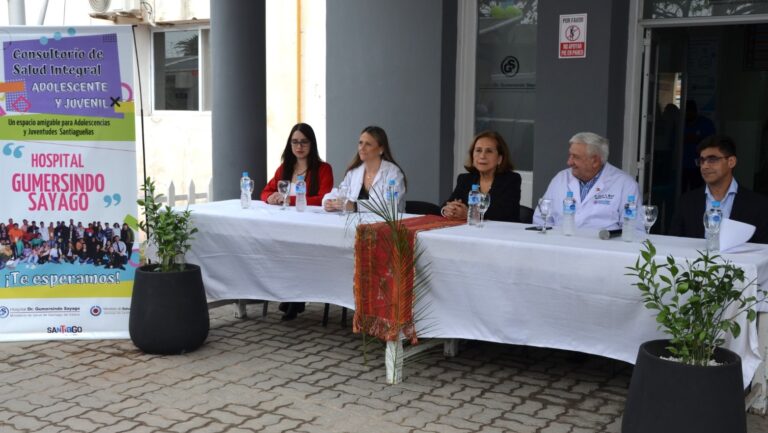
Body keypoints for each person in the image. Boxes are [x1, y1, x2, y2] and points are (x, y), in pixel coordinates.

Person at [533, 132, 642, 233]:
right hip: (561, 245)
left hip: (603, 248)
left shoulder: (625, 184)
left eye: (575, 157)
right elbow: (541, 219)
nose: (569, 162)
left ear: (595, 161)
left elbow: (634, 230)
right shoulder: (560, 179)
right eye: (570, 155)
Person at [669, 135, 768, 244]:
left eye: (712, 159)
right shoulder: (687, 201)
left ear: (731, 162)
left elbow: (763, 250)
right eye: (702, 161)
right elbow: (674, 243)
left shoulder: (758, 204)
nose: (704, 166)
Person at [323, 125, 407, 213]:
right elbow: (341, 192)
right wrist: (328, 201)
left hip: (389, 225)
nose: (361, 148)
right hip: (355, 224)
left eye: (368, 144)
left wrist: (355, 206)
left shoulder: (393, 173)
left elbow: (390, 204)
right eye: (360, 143)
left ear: (381, 149)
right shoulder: (353, 172)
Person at [441, 131, 521, 222]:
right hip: (469, 232)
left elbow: (503, 213)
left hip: (502, 233)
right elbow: (449, 203)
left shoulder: (511, 180)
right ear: (472, 156)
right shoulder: (465, 179)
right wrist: (448, 210)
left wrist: (470, 214)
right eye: (478, 150)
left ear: (499, 159)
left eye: (489, 151)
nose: (482, 156)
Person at [261, 123, 334, 207]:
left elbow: (324, 199)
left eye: (304, 142)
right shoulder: (283, 168)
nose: (299, 146)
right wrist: (270, 197)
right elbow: (265, 192)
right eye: (295, 142)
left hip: (311, 218)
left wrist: (289, 200)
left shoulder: (324, 169)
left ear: (312, 144)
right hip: (283, 216)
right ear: (290, 144)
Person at [681, 100, 716, 193]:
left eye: (690, 111)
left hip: (699, 164)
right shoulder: (680, 123)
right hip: (681, 165)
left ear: (695, 111)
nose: (688, 114)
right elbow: (673, 141)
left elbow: (713, 142)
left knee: (697, 190)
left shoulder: (705, 123)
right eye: (686, 111)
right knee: (681, 190)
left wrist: (698, 139)